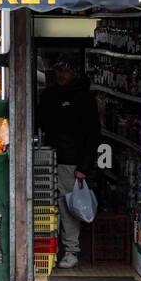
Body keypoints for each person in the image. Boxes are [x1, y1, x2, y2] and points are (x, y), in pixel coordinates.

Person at [37, 58, 101, 269]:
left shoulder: (84, 98)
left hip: (71, 162)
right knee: (46, 204)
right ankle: (48, 248)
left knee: (67, 205)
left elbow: (93, 135)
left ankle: (71, 250)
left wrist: (84, 167)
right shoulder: (49, 95)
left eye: (65, 71)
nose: (61, 75)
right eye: (59, 70)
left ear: (75, 73)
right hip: (47, 156)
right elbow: (40, 121)